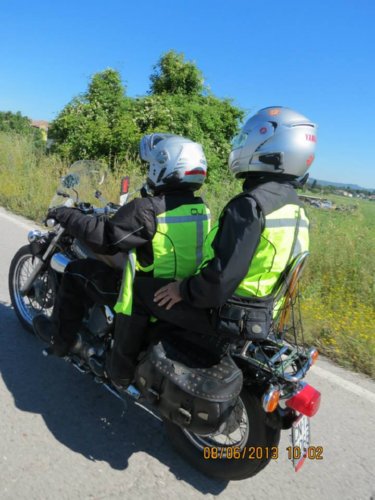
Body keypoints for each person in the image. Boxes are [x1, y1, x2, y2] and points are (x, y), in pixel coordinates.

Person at [109, 106, 317, 387]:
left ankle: (120, 372)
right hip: (264, 312)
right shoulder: (293, 205)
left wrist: (183, 289)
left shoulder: (250, 206)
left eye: (245, 140)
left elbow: (220, 280)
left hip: (228, 313)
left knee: (142, 292)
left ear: (266, 146)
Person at [33, 134, 211, 375]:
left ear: (163, 165)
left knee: (77, 272)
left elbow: (104, 238)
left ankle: (60, 340)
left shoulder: (147, 210)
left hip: (139, 293)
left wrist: (68, 215)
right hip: (175, 292)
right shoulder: (201, 209)